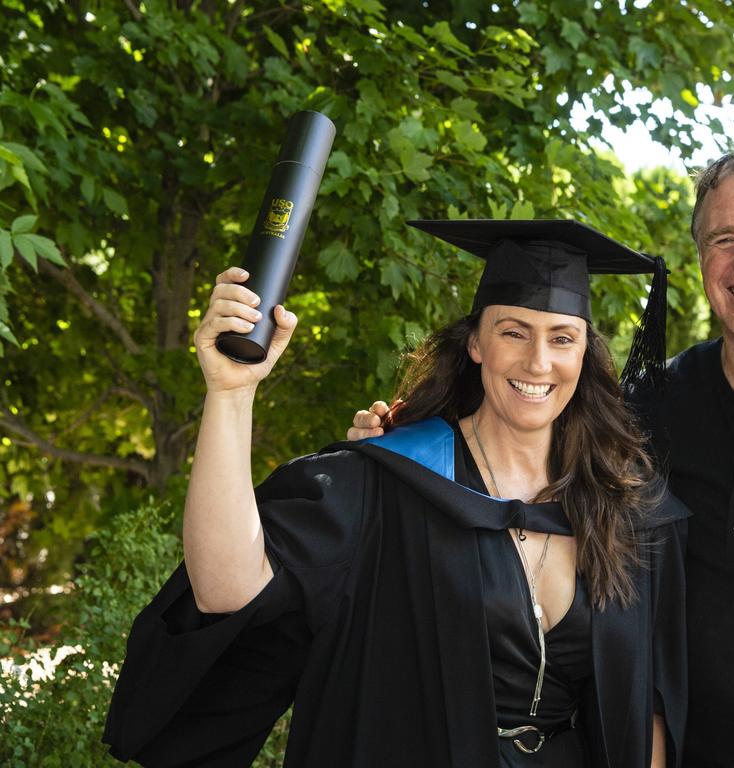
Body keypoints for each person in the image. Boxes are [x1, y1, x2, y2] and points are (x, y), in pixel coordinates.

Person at [349, 152, 734, 768]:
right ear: (701, 256)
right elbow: (513, 448)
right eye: (724, 238)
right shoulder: (644, 410)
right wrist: (400, 450)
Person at [103, 219, 690, 767]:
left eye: (563, 338)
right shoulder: (390, 481)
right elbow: (226, 589)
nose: (539, 361)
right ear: (476, 345)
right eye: (514, 332)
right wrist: (230, 395)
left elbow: (648, 699)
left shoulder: (622, 505)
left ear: (584, 352)